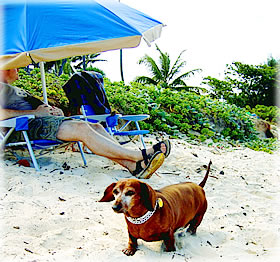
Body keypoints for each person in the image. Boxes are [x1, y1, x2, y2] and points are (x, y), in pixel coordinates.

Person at [0, 69, 171, 179]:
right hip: (25, 128)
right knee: (81, 128)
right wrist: (36, 113)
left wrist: (55, 111)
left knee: (95, 126)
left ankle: (133, 166)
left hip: (43, 123)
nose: (19, 68)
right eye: (15, 65)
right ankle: (136, 155)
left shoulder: (14, 89)